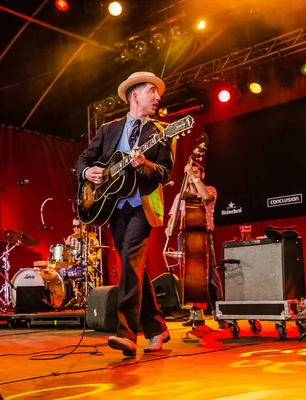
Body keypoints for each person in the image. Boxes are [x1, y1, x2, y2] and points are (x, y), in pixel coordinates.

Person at [76, 71, 176, 357]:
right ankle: (157, 329)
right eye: (152, 92)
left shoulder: (160, 132)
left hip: (141, 208)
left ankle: (127, 333)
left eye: (158, 93)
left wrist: (143, 164)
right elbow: (83, 159)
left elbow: (164, 172)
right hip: (113, 207)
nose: (157, 97)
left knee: (130, 266)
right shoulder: (109, 129)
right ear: (136, 96)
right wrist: (87, 172)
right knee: (136, 269)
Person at [165, 162, 224, 326]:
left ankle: (220, 312)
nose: (193, 174)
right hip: (184, 237)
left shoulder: (210, 189)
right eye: (191, 172)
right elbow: (172, 217)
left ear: (202, 175)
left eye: (197, 172)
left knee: (210, 275)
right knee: (189, 277)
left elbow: (206, 198)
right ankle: (196, 315)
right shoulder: (180, 195)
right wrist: (169, 227)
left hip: (203, 235)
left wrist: (193, 177)